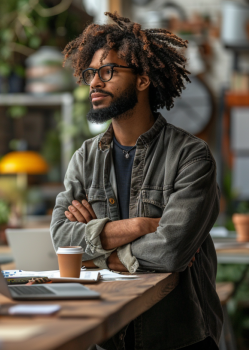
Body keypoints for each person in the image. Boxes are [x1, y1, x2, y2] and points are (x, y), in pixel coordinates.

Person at [51, 12, 222, 350]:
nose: (94, 83)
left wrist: (94, 254)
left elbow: (171, 251)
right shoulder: (85, 158)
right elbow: (60, 238)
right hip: (107, 334)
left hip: (177, 337)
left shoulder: (192, 156)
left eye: (108, 72)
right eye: (90, 73)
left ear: (142, 80)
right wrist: (143, 225)